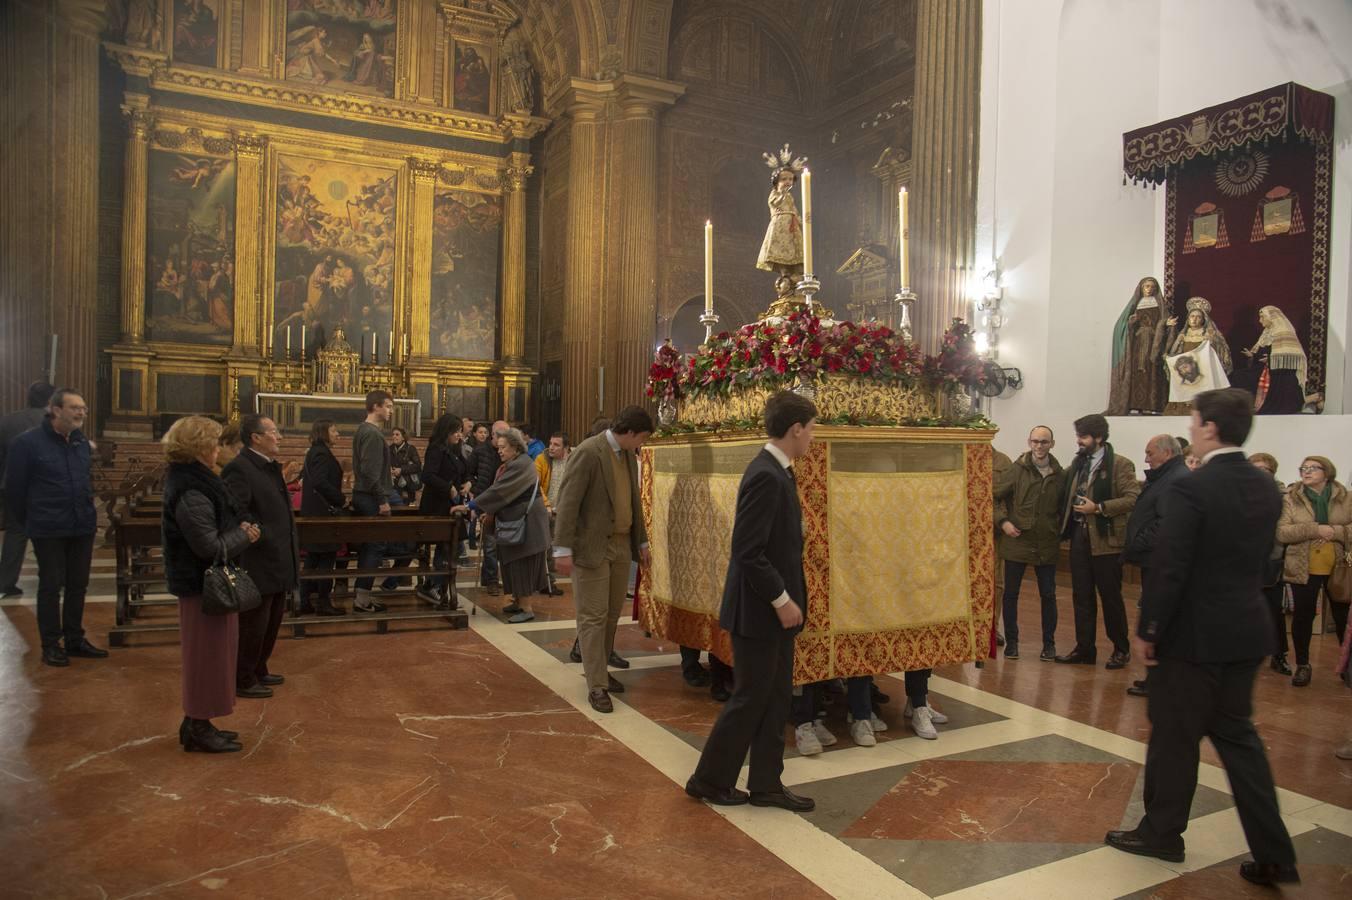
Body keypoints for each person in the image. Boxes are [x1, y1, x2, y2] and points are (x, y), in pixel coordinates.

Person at [1107, 388, 1298, 887]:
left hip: (1192, 638)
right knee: (1239, 740)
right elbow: (1259, 561)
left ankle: (1161, 833)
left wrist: (1150, 630)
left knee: (1174, 737)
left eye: (1193, 420)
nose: (1190, 427)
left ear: (1210, 427)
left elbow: (1170, 568)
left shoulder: (1192, 488)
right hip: (1247, 629)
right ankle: (1274, 853)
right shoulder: (1265, 487)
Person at [685, 391, 815, 811]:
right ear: (795, 429)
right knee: (749, 699)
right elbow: (747, 550)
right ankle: (708, 780)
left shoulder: (780, 472)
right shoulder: (765, 474)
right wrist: (781, 599)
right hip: (760, 612)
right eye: (811, 429)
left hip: (772, 614)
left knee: (774, 698)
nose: (812, 437)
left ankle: (766, 785)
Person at [160, 416, 260, 754]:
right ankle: (198, 727)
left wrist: (238, 532)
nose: (218, 449)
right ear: (199, 447)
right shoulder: (191, 488)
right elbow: (207, 546)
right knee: (205, 658)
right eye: (214, 442)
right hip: (200, 585)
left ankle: (196, 723)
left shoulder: (200, 481)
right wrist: (243, 536)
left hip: (208, 584)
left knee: (216, 655)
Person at [553, 406, 653, 713]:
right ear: (631, 433)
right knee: (593, 617)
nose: (641, 445)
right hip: (592, 547)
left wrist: (643, 541)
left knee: (610, 615)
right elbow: (568, 502)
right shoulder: (589, 452)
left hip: (621, 545)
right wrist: (562, 548)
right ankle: (596, 685)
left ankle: (602, 672)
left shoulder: (626, 457)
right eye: (642, 439)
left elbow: (633, 502)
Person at [4, 389, 104, 668]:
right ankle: (51, 644)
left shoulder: (81, 442)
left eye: (83, 408)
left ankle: (74, 638)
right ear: (55, 410)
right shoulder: (27, 444)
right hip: (48, 526)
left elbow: (85, 481)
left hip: (81, 524)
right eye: (75, 407)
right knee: (50, 585)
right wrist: (31, 520)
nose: (81, 412)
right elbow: (14, 490)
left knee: (78, 585)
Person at [222, 415, 298, 699]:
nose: (278, 437)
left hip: (278, 555)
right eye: (274, 432)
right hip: (258, 557)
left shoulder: (267, 467)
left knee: (272, 618)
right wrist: (257, 531)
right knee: (254, 622)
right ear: (256, 437)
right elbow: (235, 510)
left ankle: (259, 667)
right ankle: (243, 676)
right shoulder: (240, 468)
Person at [1056, 413, 1139, 668]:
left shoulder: (1120, 464)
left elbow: (1132, 498)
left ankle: (1120, 649)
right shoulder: (1078, 464)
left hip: (1106, 541)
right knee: (1081, 596)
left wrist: (1099, 507)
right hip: (1079, 539)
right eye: (1078, 436)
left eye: (1083, 437)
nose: (1079, 441)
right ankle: (1085, 648)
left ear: (1099, 438)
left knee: (1110, 597)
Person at [453, 428, 548, 623]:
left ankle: (527, 608)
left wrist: (471, 505)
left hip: (527, 523)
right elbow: (500, 492)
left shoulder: (522, 464)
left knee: (523, 563)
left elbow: (499, 491)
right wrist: (489, 511)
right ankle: (518, 602)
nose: (500, 451)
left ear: (515, 447)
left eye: (504, 447)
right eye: (499, 447)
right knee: (511, 562)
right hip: (514, 521)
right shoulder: (511, 464)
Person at [1122, 434, 1190, 698]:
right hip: (1152, 557)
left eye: (1150, 453)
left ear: (1167, 453)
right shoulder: (1167, 476)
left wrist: (1138, 541)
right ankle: (1155, 677)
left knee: (1159, 619)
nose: (1146, 459)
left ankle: (1160, 679)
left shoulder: (1175, 480)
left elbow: (1166, 523)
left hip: (1158, 558)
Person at [1277, 455, 1351, 687]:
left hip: (1338, 566)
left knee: (1343, 618)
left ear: (1327, 472)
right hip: (1303, 566)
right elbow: (1282, 533)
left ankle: (1347, 667)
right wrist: (1316, 529)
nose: (1306, 472)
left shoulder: (1346, 498)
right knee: (1303, 617)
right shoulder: (1290, 498)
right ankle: (1303, 665)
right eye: (1303, 468)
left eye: (1312, 468)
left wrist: (1334, 531)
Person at [994, 426, 1065, 661]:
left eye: (1044, 442)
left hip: (1046, 542)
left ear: (1052, 444)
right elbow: (993, 498)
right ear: (1029, 442)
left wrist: (1060, 531)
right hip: (1018, 541)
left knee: (1048, 594)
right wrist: (1003, 522)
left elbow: (1064, 507)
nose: (1039, 446)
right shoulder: (1017, 470)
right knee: (1011, 594)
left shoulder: (1059, 474)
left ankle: (1049, 644)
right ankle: (1012, 642)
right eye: (1035, 441)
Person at [0, 380, 54, 598]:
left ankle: (6, 582)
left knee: (15, 534)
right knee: (50, 535)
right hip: (47, 488)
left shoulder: (6, 421)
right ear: (52, 400)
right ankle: (52, 579)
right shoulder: (54, 422)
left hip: (12, 486)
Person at [418, 413, 467, 608]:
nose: (459, 435)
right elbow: (427, 476)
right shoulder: (436, 449)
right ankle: (434, 586)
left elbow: (463, 470)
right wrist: (448, 487)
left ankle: (436, 586)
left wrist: (468, 482)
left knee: (448, 549)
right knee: (444, 549)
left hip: (451, 506)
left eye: (460, 431)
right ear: (446, 431)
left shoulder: (453, 449)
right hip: (437, 505)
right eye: (456, 431)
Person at [1249, 453, 1292, 675]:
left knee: (1274, 611)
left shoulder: (1283, 495)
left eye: (1264, 469)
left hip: (1272, 558)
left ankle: (1279, 655)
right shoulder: (1242, 493)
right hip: (1245, 560)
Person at [352, 390, 394, 614]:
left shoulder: (363, 430)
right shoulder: (373, 434)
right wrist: (381, 500)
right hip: (370, 497)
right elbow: (369, 472)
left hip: (366, 495)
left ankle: (362, 596)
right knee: (374, 546)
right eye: (387, 406)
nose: (391, 411)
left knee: (372, 546)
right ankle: (362, 599)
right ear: (376, 406)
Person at [298, 420, 346, 617]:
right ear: (323, 432)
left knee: (313, 558)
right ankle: (323, 603)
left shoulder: (315, 451)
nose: (338, 433)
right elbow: (319, 481)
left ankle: (305, 601)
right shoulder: (321, 453)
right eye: (334, 430)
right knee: (325, 558)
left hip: (314, 511)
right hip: (322, 513)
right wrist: (340, 498)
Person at [1106, 276, 1170, 415]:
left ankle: (1152, 405)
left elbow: (1165, 323)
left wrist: (1164, 325)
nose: (1149, 289)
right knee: (1137, 373)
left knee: (1151, 371)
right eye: (1146, 286)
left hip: (1154, 344)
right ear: (1141, 288)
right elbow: (1121, 326)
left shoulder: (1160, 305)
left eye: (1152, 286)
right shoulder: (1135, 304)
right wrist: (1130, 323)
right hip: (1137, 344)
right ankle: (1135, 404)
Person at [469, 420, 509, 595]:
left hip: (502, 500)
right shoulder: (480, 451)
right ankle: (492, 580)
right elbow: (469, 472)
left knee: (495, 543)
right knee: (490, 543)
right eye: (500, 436)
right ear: (493, 435)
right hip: (485, 500)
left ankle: (488, 576)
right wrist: (474, 488)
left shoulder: (509, 453)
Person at [389, 427, 421, 506]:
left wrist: (401, 469)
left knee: (407, 509)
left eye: (397, 434)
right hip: (394, 485)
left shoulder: (410, 449)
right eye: (393, 434)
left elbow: (417, 466)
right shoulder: (389, 449)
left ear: (403, 437)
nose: (394, 436)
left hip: (408, 486)